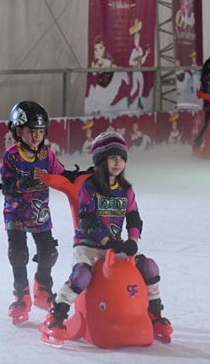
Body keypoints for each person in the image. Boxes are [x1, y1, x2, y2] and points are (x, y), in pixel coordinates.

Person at [41, 130, 172, 346]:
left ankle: (154, 314)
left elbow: (134, 218)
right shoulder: (89, 188)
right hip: (88, 245)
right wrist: (106, 242)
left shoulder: (125, 190)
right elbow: (87, 220)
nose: (118, 162)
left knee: (149, 267)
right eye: (112, 158)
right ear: (101, 161)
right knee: (82, 275)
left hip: (115, 244)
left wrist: (132, 240)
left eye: (121, 158)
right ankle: (56, 316)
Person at [0, 101, 67, 324]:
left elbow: (61, 176)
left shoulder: (47, 155)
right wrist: (23, 183)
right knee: (18, 253)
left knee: (49, 253)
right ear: (18, 131)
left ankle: (42, 289)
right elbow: (8, 188)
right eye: (32, 131)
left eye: (40, 131)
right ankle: (21, 296)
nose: (37, 136)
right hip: (16, 213)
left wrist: (81, 177)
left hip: (40, 213)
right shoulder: (11, 156)